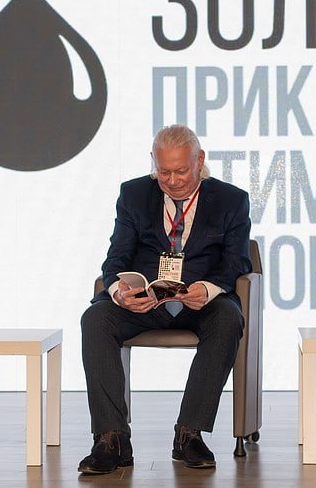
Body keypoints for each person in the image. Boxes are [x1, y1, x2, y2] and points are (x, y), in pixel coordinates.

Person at [78, 124, 251, 475]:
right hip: (147, 303)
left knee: (228, 318)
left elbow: (237, 261)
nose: (172, 181)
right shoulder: (133, 194)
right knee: (95, 319)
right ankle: (111, 440)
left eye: (181, 171)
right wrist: (120, 292)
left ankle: (189, 434)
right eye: (164, 172)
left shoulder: (231, 200)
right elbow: (116, 258)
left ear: (199, 160)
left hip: (200, 302)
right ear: (153, 164)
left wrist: (209, 288)